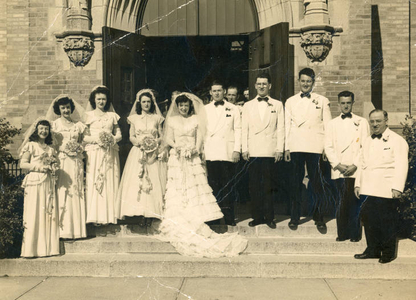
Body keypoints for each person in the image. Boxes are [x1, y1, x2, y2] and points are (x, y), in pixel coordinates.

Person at [157, 92, 247, 258]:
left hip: (191, 159)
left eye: (186, 105)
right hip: (177, 159)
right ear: (177, 107)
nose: (183, 108)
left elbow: (199, 139)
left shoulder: (196, 119)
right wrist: (176, 146)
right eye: (181, 105)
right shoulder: (172, 120)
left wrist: (194, 150)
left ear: (190, 106)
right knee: (178, 188)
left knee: (195, 187)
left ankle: (196, 215)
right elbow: (168, 138)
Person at [354, 109, 408, 264]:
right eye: (372, 121)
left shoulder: (397, 141)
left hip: (386, 188)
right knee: (369, 220)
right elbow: (361, 163)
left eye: (378, 121)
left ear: (386, 121)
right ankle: (373, 249)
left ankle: (388, 252)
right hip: (368, 187)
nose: (375, 124)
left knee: (387, 221)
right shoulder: (367, 140)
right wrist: (358, 184)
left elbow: (401, 165)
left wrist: (397, 187)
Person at [284, 68, 332, 231]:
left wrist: (326, 147)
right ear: (298, 81)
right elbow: (286, 126)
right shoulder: (290, 101)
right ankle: (294, 217)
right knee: (295, 182)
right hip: (296, 146)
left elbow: (328, 126)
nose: (305, 84)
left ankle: (319, 217)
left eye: (308, 81)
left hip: (316, 147)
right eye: (303, 81)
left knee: (317, 182)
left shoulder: (323, 100)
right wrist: (286, 147)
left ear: (313, 82)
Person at [116, 89, 167, 227]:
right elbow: (131, 136)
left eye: (148, 102)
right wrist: (140, 143)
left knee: (153, 180)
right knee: (137, 179)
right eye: (144, 102)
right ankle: (138, 213)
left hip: (153, 153)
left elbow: (161, 135)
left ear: (152, 103)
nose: (146, 104)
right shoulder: (134, 119)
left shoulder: (157, 118)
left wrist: (154, 143)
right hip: (138, 151)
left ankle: (152, 213)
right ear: (140, 103)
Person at [324, 91, 369, 242]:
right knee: (341, 202)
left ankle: (355, 234)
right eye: (342, 103)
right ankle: (342, 233)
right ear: (338, 104)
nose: (345, 106)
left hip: (355, 169)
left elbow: (365, 146)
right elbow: (328, 147)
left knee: (354, 202)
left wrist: (355, 165)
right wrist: (337, 165)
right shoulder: (332, 124)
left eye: (348, 103)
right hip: (339, 169)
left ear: (352, 103)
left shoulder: (362, 122)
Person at [242, 73, 284, 229]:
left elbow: (281, 128)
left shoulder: (278, 105)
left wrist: (280, 148)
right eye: (259, 84)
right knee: (254, 186)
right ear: (255, 86)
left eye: (264, 84)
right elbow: (244, 129)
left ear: (270, 86)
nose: (261, 86)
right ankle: (257, 216)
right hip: (253, 151)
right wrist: (244, 149)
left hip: (269, 151)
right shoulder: (247, 106)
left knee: (268, 185)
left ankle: (269, 217)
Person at [45, 95, 87, 239]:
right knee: (63, 191)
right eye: (63, 108)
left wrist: (78, 148)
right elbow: (51, 144)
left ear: (71, 108)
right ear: (58, 109)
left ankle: (77, 230)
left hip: (75, 161)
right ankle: (63, 230)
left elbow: (83, 143)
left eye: (68, 107)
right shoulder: (55, 125)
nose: (66, 110)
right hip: (62, 161)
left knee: (76, 191)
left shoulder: (78, 125)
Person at [19, 118, 60, 257]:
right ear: (36, 130)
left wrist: (53, 167)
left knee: (47, 213)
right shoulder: (31, 145)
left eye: (46, 129)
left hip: (47, 183)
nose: (44, 131)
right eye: (41, 128)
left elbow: (55, 165)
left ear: (49, 132)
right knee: (34, 212)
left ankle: (47, 249)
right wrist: (39, 167)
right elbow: (23, 164)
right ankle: (31, 250)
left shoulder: (51, 149)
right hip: (34, 181)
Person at [83, 85, 122, 225]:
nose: (101, 102)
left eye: (103, 99)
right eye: (98, 99)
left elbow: (119, 134)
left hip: (110, 152)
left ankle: (109, 216)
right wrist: (98, 140)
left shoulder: (112, 116)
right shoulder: (88, 116)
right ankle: (95, 216)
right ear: (94, 100)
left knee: (109, 179)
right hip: (94, 153)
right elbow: (84, 137)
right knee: (95, 179)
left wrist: (111, 139)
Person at [205, 81, 241, 226]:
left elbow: (238, 129)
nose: (217, 93)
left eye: (219, 90)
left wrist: (237, 149)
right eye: (214, 91)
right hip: (211, 152)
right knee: (213, 186)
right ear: (210, 93)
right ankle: (213, 217)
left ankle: (228, 217)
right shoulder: (205, 109)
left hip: (227, 152)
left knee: (227, 185)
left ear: (224, 92)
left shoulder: (233, 108)